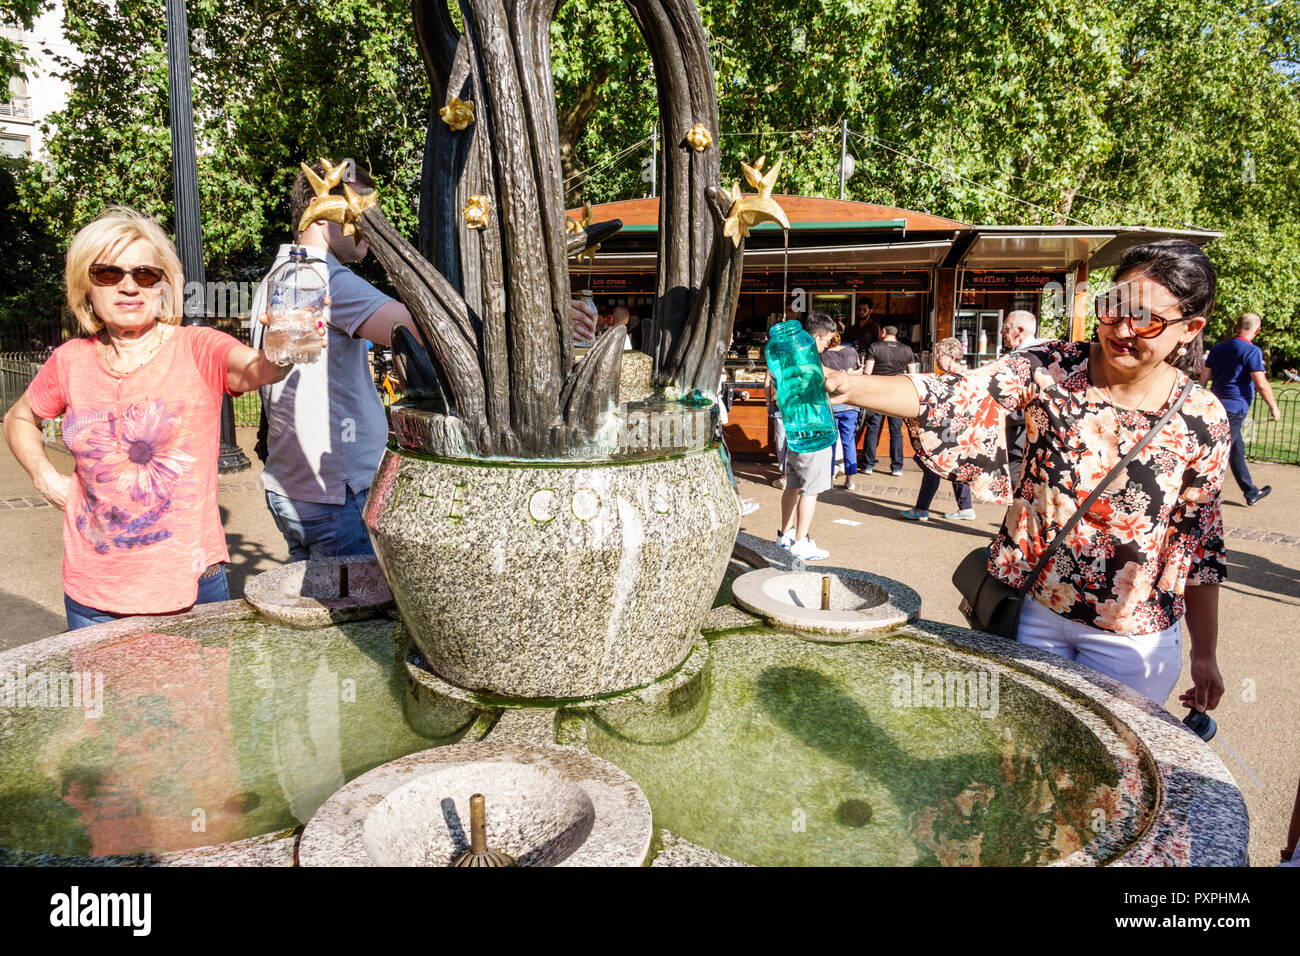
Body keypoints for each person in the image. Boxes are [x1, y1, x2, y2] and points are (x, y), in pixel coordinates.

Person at [824, 239, 1229, 712]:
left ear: (1190, 328)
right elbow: (955, 393)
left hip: (1133, 638)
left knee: (1111, 770)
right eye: (1113, 307)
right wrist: (848, 384)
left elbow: (1197, 543)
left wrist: (1205, 654)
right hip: (1036, 607)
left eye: (1146, 318)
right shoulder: (1054, 366)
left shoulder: (1202, 417)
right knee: (1021, 751)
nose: (1121, 327)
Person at [253, 162, 601, 562]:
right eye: (358, 206)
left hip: (292, 490)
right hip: (338, 495)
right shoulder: (325, 278)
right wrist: (541, 320)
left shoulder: (278, 277)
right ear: (318, 206)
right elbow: (433, 330)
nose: (371, 221)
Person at [2, 207, 323, 629]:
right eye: (108, 274)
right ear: (86, 287)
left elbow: (255, 369)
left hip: (189, 593)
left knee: (196, 698)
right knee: (99, 697)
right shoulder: (69, 362)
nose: (129, 286)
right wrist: (46, 477)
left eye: (145, 275)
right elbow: (19, 418)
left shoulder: (197, 347)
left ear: (164, 286)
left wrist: (281, 349)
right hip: (90, 597)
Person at [1200, 312, 1280, 506]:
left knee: (1236, 449)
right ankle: (1200, 494)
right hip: (1235, 409)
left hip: (1216, 405)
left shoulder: (1218, 349)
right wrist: (1273, 407)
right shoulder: (1252, 351)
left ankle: (1251, 491)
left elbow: (1203, 377)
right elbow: (1260, 384)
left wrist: (1201, 399)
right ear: (1257, 331)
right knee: (1220, 451)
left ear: (1236, 327)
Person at [899, 337, 976, 521]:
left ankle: (922, 509)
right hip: (959, 431)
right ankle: (965, 508)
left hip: (948, 431)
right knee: (954, 468)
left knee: (932, 465)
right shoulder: (968, 377)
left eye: (939, 354)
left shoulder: (949, 380)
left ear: (950, 357)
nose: (936, 358)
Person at [807, 312, 860, 491]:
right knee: (849, 441)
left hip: (831, 404)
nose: (827, 343)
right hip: (850, 404)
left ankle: (828, 478)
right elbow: (857, 371)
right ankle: (850, 479)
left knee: (830, 442)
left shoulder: (822, 354)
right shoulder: (852, 352)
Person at [861, 324, 918, 476]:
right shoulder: (907, 349)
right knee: (896, 431)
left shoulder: (875, 347)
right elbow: (913, 375)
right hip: (897, 394)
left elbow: (867, 372)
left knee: (872, 429)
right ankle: (897, 467)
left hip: (877, 393)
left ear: (883, 332)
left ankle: (868, 465)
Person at [1001, 310, 1040, 487]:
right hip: (1026, 441)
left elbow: (1022, 407)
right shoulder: (1040, 353)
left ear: (1020, 331)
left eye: (1005, 328)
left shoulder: (1025, 360)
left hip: (1021, 442)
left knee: (1018, 497)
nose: (1002, 332)